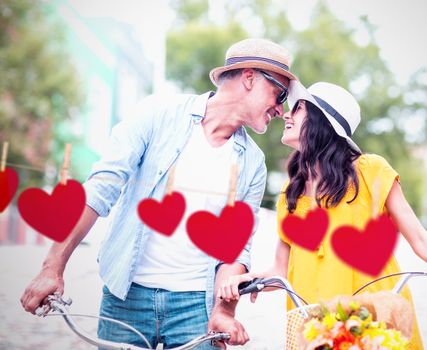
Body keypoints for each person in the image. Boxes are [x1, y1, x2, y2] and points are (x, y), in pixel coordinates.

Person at [20, 38, 298, 349]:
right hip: (126, 296)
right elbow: (102, 188)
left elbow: (235, 249)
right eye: (280, 94)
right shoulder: (158, 114)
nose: (281, 108)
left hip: (196, 307)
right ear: (249, 77)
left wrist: (223, 311)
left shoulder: (254, 163)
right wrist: (52, 268)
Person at [218, 81, 427, 349]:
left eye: (298, 109)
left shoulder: (371, 171)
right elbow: (282, 269)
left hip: (372, 321)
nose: (286, 114)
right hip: (313, 326)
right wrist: (250, 280)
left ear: (322, 121)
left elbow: (420, 237)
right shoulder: (291, 190)